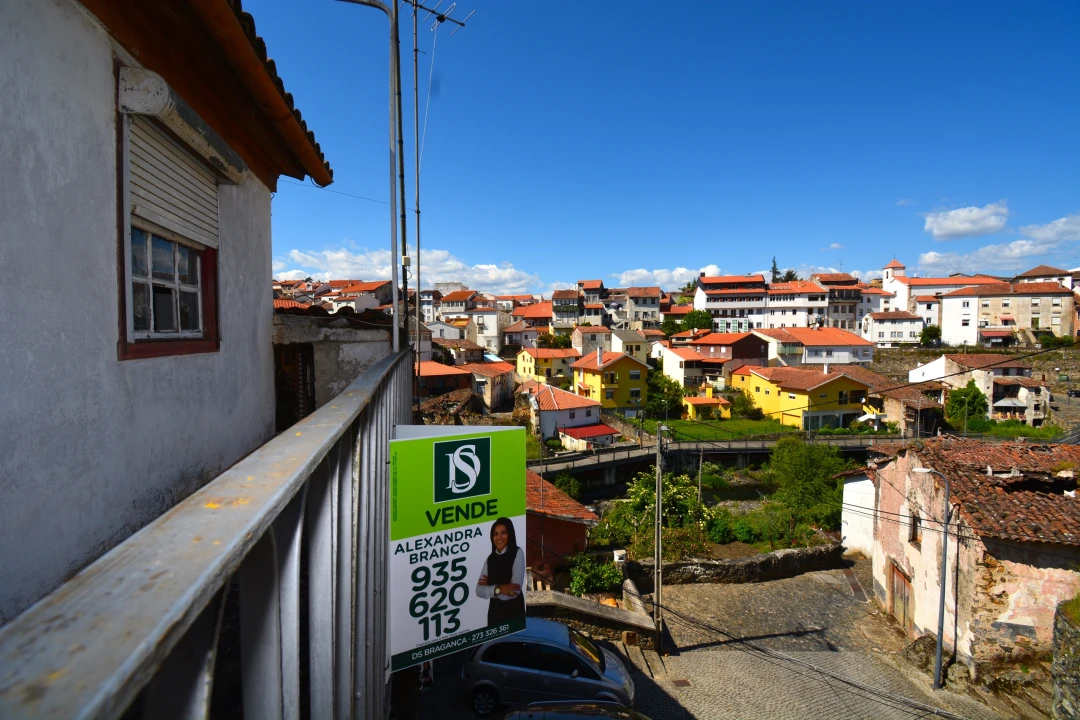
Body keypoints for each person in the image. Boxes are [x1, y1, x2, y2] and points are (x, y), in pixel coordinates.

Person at [475, 517, 525, 626]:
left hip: (514, 614)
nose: (499, 537)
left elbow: (513, 592)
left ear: (510, 534)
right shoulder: (490, 559)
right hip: (494, 615)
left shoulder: (517, 553)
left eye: (503, 533)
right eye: (495, 534)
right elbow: (478, 590)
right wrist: (499, 589)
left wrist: (490, 589)